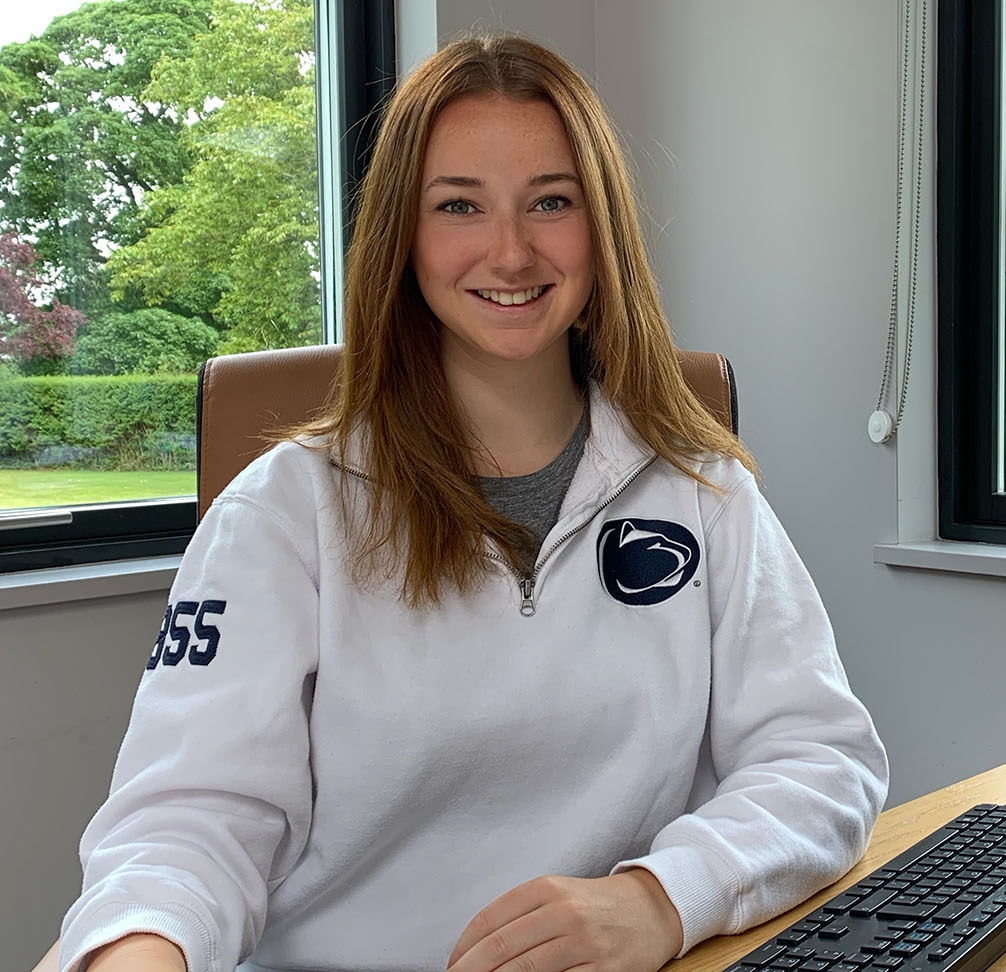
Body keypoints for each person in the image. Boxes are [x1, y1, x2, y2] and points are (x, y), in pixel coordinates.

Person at [50, 33, 888, 972]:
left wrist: (660, 899)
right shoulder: (283, 514)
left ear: (600, 226)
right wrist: (134, 950)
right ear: (402, 238)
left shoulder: (702, 487)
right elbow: (187, 824)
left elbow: (821, 762)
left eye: (551, 202)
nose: (511, 249)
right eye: (459, 205)